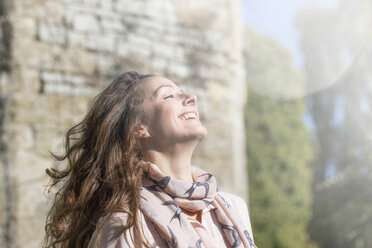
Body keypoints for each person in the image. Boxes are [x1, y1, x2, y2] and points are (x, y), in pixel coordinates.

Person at [44, 71, 256, 248]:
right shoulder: (125, 225)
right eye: (168, 96)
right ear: (139, 127)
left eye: (182, 92)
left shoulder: (233, 208)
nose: (191, 97)